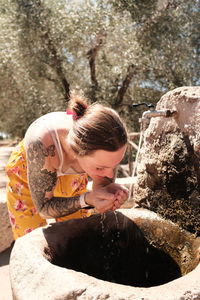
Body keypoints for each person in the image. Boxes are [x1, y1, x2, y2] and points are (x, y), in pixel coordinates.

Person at [6, 92, 129, 239]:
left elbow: (101, 186)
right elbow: (44, 208)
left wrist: (107, 195)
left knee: (79, 235)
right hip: (29, 170)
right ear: (77, 152)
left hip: (72, 173)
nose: (110, 175)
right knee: (28, 239)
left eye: (114, 164)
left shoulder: (107, 142)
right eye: (100, 168)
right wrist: (87, 199)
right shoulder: (40, 144)